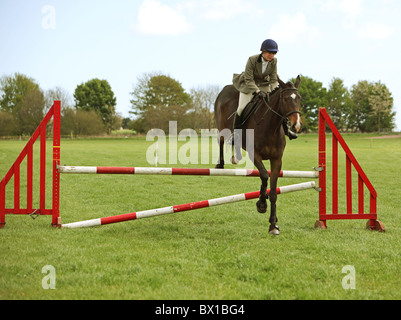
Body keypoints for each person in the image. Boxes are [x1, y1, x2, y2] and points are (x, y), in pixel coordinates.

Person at [232, 39, 297, 140]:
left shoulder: (274, 61)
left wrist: (271, 91)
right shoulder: (252, 59)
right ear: (263, 51)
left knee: (278, 104)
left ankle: (286, 130)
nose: (272, 55)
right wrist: (257, 91)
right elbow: (248, 79)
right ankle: (236, 134)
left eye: (274, 53)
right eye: (270, 52)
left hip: (264, 85)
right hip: (249, 85)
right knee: (241, 108)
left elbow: (273, 79)